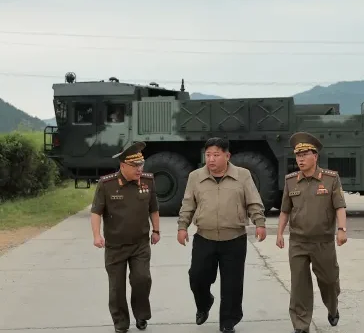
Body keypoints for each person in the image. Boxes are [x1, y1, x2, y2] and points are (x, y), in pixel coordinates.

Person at [176, 137, 267, 333]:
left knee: (232, 284)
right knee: (197, 277)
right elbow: (188, 204)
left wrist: (259, 222)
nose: (211, 159)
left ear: (227, 156)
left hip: (234, 238)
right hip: (204, 237)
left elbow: (253, 201)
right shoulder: (195, 176)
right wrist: (182, 226)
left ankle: (228, 321)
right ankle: (204, 303)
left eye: (216, 155)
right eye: (208, 155)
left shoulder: (243, 175)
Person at [276, 131, 348, 333]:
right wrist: (280, 233)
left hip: (323, 242)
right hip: (298, 242)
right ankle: (301, 325)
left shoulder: (331, 179)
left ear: (315, 156)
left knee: (329, 281)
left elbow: (340, 206)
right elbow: (285, 210)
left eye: (304, 155)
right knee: (299, 285)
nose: (300, 159)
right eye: (298, 156)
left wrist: (341, 229)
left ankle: (332, 307)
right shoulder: (291, 181)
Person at [90, 141, 161, 333]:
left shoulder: (148, 181)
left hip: (140, 244)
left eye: (141, 164)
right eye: (135, 165)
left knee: (142, 280)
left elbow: (153, 208)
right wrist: (96, 235)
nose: (139, 169)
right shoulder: (107, 184)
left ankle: (141, 315)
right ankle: (121, 323)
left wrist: (156, 231)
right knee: (117, 288)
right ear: (123, 165)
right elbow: (96, 212)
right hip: (115, 246)